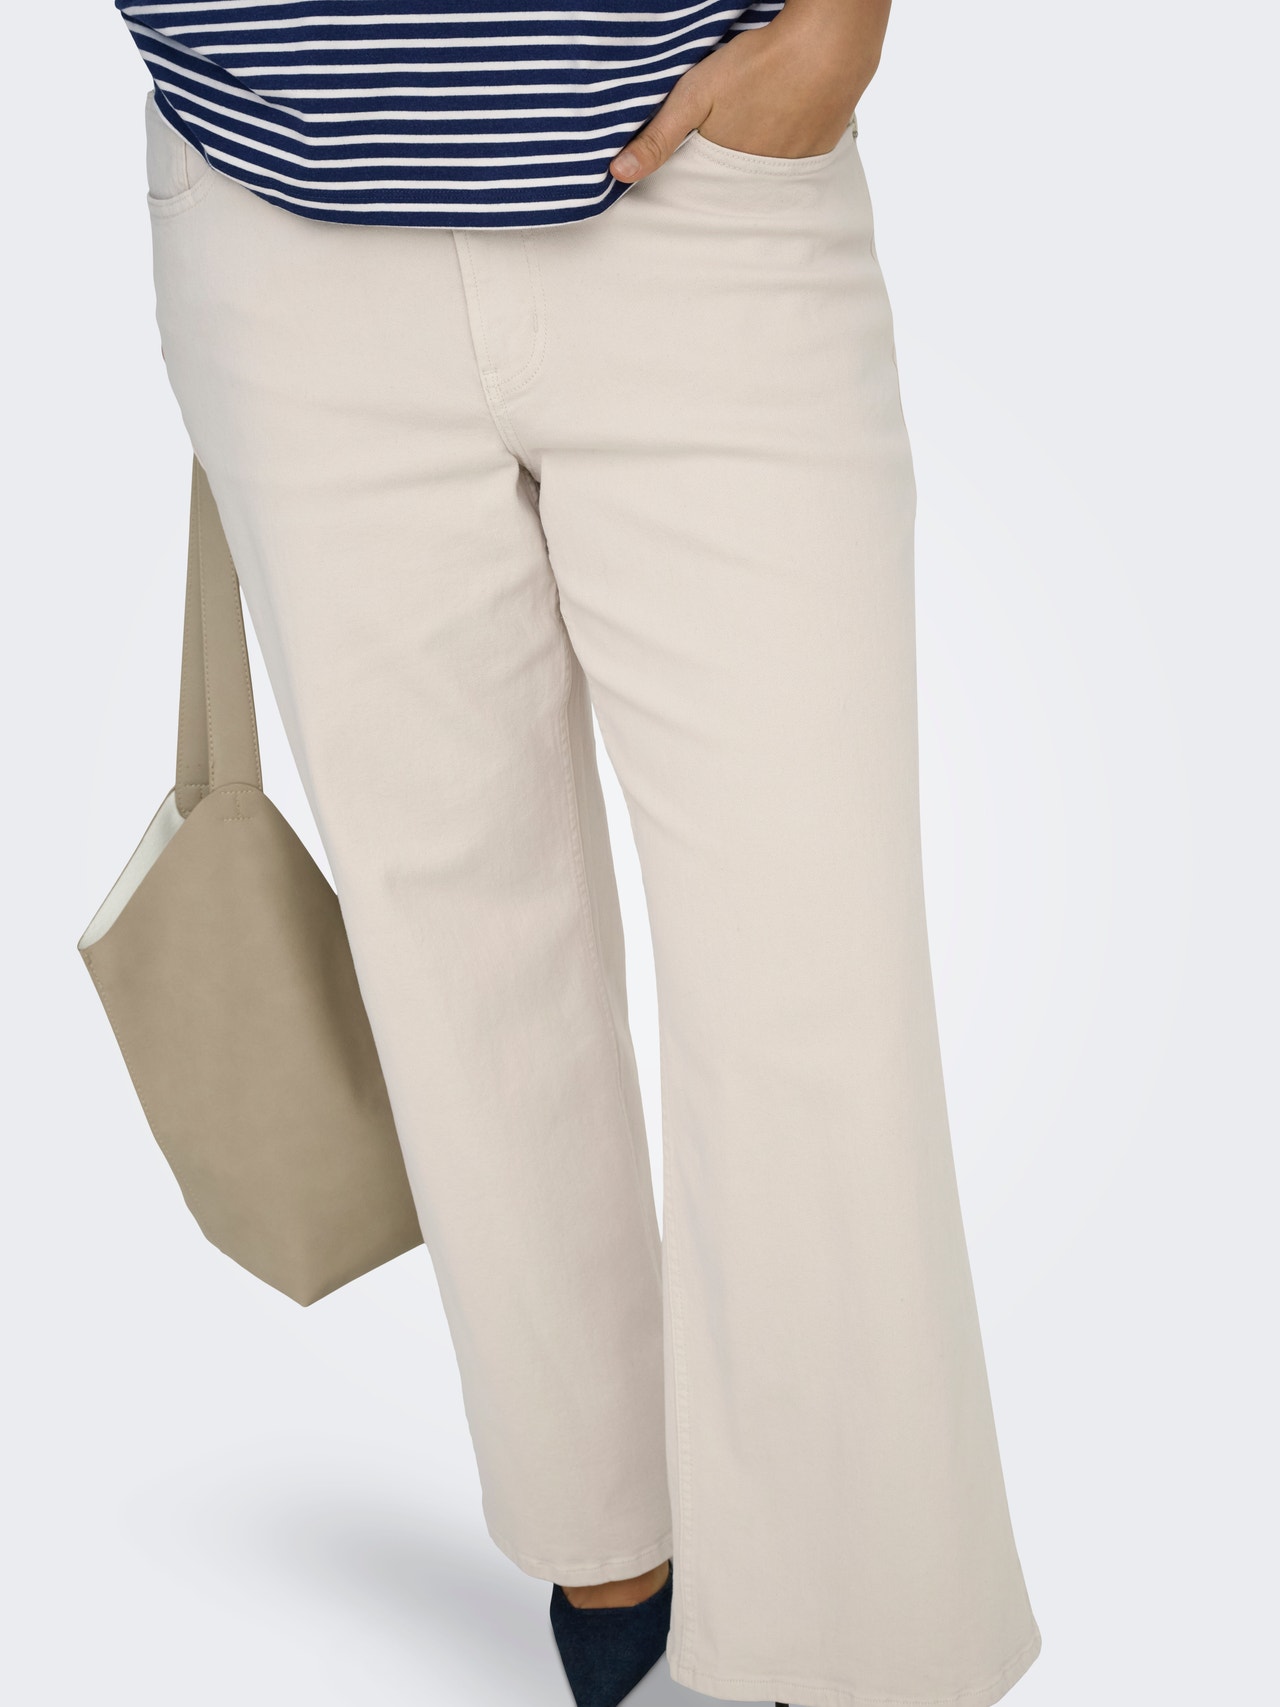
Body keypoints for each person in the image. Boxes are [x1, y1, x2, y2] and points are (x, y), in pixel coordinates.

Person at [117, 1, 1042, 1703]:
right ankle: (609, 1552)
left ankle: (864, 1647)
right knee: (460, 957)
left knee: (811, 970)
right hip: (277, 203)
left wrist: (841, 22)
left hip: (696, 183)